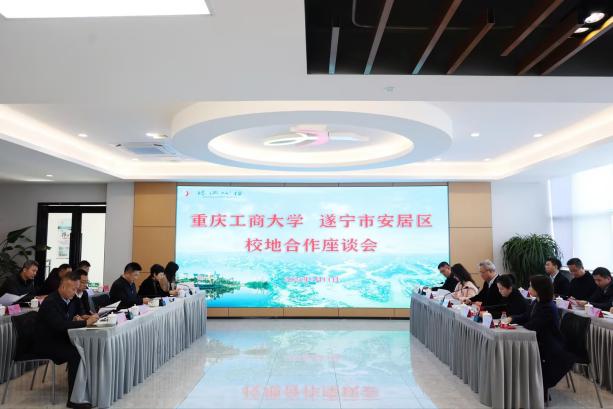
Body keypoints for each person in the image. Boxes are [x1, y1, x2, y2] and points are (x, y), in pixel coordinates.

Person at [33, 271, 98, 409]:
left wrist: (79, 318)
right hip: (46, 343)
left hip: (60, 338)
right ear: (63, 287)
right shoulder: (51, 302)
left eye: (76, 289)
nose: (75, 292)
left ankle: (86, 389)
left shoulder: (70, 299)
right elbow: (59, 326)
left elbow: (67, 319)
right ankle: (73, 400)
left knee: (86, 347)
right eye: (73, 289)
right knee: (76, 353)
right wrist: (84, 323)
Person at [506, 275, 575, 395]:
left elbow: (532, 325)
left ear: (539, 289)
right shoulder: (537, 302)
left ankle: (530, 387)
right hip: (539, 339)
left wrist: (517, 324)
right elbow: (526, 316)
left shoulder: (547, 307)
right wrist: (512, 318)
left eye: (531, 286)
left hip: (548, 344)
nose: (528, 288)